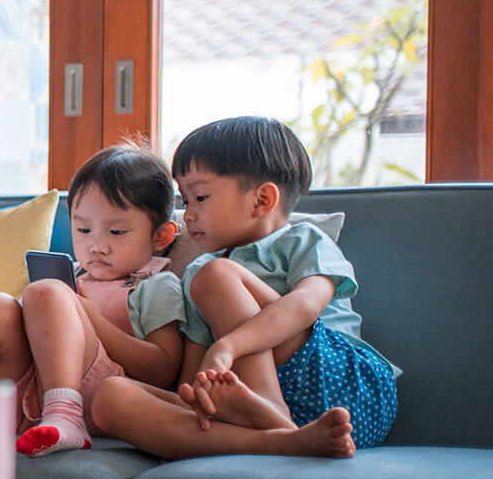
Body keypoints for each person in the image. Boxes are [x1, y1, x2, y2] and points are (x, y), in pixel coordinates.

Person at [92, 117, 400, 459]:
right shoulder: (197, 273)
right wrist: (199, 397)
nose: (187, 214)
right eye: (184, 200)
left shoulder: (302, 240)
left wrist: (229, 346)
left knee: (218, 275)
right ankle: (280, 441)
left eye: (200, 197)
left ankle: (271, 413)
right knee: (109, 398)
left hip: (344, 387)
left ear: (262, 199)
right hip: (287, 420)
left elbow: (305, 307)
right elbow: (195, 375)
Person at [0, 144, 189, 456]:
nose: (97, 246)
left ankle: (66, 416)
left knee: (46, 291)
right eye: (83, 229)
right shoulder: (72, 275)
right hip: (33, 392)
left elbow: (162, 372)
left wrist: (92, 318)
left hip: (103, 401)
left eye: (116, 232)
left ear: (161, 236)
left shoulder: (157, 285)